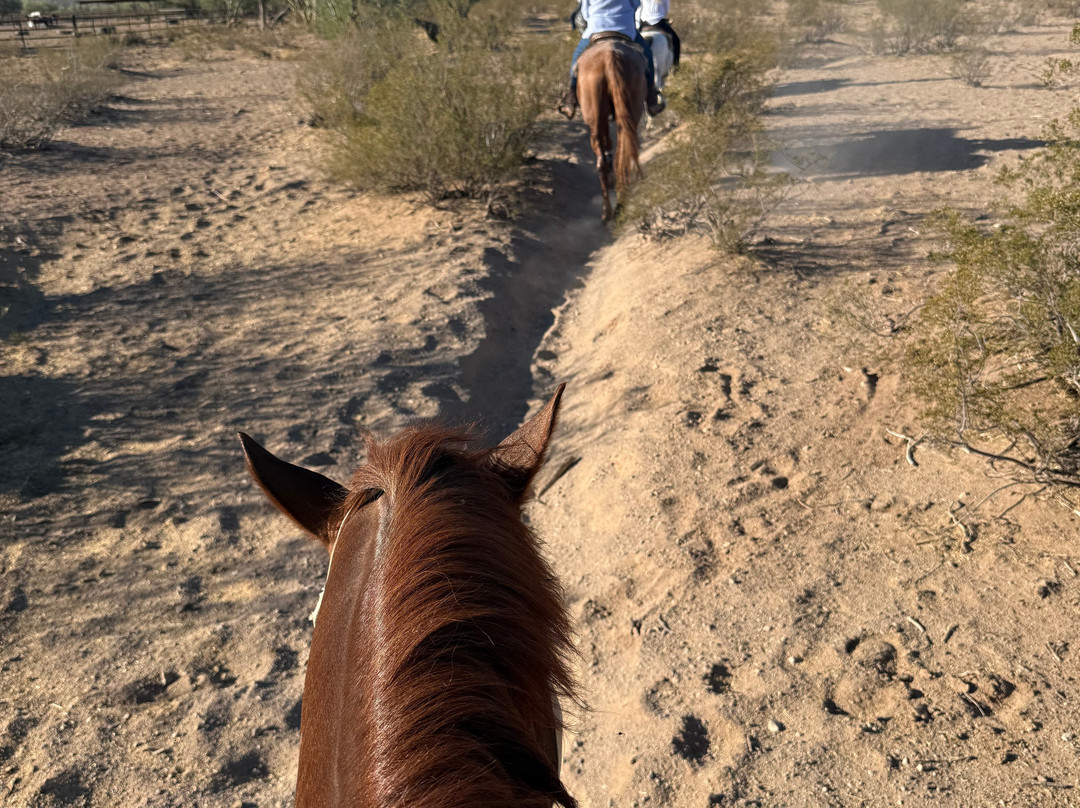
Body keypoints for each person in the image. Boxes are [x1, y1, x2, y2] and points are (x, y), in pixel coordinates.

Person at [559, 0, 665, 120]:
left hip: (596, 28)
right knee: (647, 53)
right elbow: (636, 4)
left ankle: (571, 96)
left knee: (577, 55)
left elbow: (585, 11)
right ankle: (652, 97)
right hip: (625, 29)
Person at [637, 0, 680, 67]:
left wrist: (638, 26)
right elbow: (666, 9)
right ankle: (675, 66)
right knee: (676, 40)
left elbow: (639, 9)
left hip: (644, 24)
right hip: (659, 24)